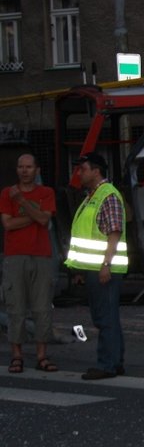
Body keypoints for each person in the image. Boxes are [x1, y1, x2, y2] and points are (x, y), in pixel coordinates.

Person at [65, 152, 127, 380]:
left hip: (105, 269)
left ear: (96, 171)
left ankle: (107, 365)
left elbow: (114, 234)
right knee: (108, 317)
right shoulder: (93, 196)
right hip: (96, 269)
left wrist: (106, 265)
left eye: (83, 169)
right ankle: (115, 362)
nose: (79, 173)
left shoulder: (107, 195)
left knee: (105, 318)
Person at [0, 153, 58, 373]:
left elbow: (45, 219)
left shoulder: (45, 192)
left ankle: (41, 355)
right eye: (20, 166)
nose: (24, 170)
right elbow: (8, 224)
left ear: (37, 170)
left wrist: (22, 203)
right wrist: (36, 216)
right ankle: (17, 355)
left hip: (41, 255)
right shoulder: (6, 193)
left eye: (28, 167)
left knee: (42, 307)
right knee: (16, 307)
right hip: (15, 256)